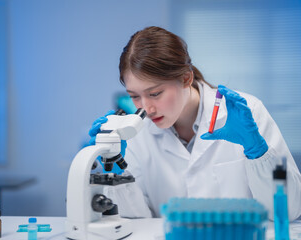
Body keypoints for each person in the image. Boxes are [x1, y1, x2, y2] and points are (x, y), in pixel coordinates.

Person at [88, 26, 301, 220]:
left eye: (155, 93)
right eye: (134, 96)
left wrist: (258, 153)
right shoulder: (136, 132)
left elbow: (289, 212)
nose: (146, 108)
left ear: (185, 79)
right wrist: (116, 171)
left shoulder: (245, 112)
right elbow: (135, 223)